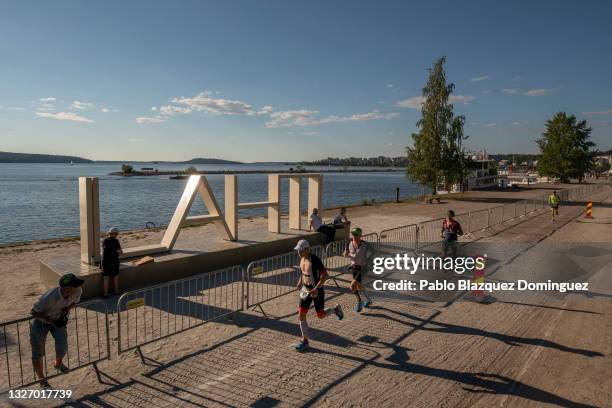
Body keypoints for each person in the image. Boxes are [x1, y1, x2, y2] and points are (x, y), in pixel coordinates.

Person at [30, 273, 84, 388]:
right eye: (75, 284)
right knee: (38, 352)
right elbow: (33, 312)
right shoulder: (49, 297)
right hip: (40, 322)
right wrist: (46, 319)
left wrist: (68, 308)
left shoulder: (78, 290)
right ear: (67, 288)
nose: (79, 286)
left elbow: (75, 301)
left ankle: (58, 364)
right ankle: (42, 380)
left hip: (58, 321)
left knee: (62, 345)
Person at [294, 239, 343, 351]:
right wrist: (300, 281)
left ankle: (335, 309)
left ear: (307, 249)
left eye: (300, 250)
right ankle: (305, 341)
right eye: (298, 250)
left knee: (320, 315)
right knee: (301, 315)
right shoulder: (302, 259)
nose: (299, 252)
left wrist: (316, 288)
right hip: (305, 290)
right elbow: (303, 272)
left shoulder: (315, 260)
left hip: (317, 290)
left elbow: (325, 275)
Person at [343, 227, 373, 312]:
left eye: (356, 234)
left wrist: (369, 259)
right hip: (354, 268)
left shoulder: (365, 245)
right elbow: (346, 253)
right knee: (359, 286)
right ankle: (368, 300)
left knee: (352, 286)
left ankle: (360, 301)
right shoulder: (349, 242)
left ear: (360, 235)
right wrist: (345, 253)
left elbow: (373, 252)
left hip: (362, 268)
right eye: (353, 234)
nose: (354, 236)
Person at [102, 227, 123, 297]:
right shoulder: (116, 241)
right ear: (115, 234)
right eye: (116, 234)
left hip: (105, 261)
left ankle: (105, 293)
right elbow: (120, 252)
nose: (117, 235)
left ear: (109, 233)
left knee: (106, 277)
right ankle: (116, 290)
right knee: (116, 276)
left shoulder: (104, 240)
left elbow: (104, 250)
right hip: (114, 261)